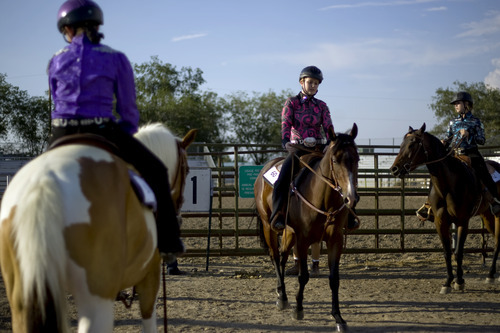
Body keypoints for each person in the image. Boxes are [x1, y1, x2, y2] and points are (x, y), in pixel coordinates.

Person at [49, 0, 184, 259]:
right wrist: (124, 131)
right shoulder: (115, 58)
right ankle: (168, 240)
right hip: (102, 130)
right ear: (97, 25)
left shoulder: (55, 61)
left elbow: (57, 101)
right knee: (157, 171)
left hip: (61, 132)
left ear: (66, 30)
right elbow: (128, 110)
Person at [269, 65, 359, 232]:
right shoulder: (292, 103)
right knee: (282, 180)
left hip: (319, 148)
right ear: (302, 82)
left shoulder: (322, 106)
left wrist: (327, 145)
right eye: (310, 82)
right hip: (298, 149)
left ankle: (349, 214)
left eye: (316, 83)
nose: (313, 86)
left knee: (343, 176)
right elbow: (286, 123)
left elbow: (328, 127)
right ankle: (278, 215)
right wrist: (285, 141)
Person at [416, 91, 500, 221]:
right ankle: (430, 205)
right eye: (454, 104)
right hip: (454, 153)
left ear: (466, 104)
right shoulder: (452, 122)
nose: (455, 106)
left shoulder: (476, 121)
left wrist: (469, 135)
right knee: (437, 173)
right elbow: (448, 137)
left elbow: (481, 140)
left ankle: (495, 201)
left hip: (471, 153)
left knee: (482, 171)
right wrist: (443, 142)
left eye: (458, 103)